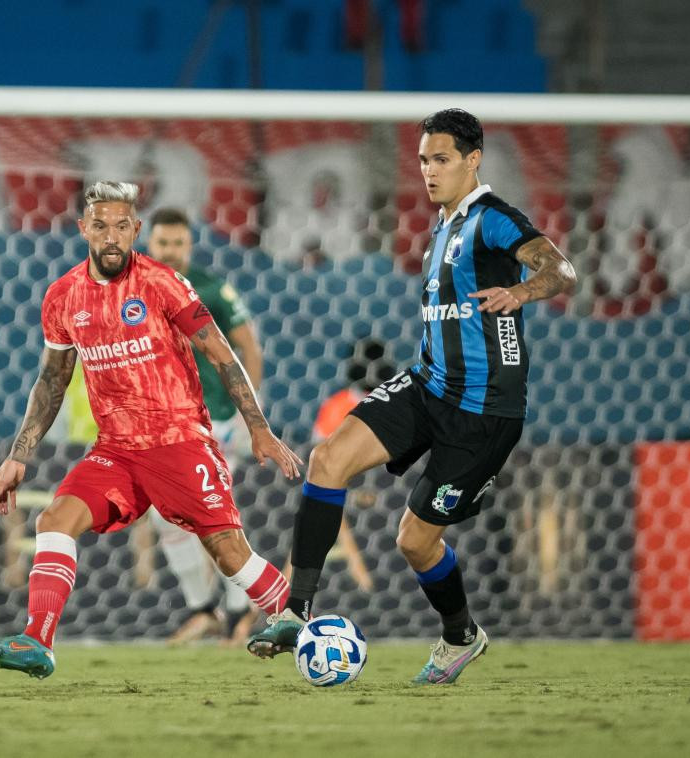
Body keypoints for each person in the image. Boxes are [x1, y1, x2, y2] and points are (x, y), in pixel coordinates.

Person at [248, 109, 577, 685]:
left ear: (473, 159)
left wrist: (522, 291)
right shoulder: (442, 229)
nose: (429, 171)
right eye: (424, 159)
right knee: (327, 460)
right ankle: (295, 612)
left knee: (415, 542)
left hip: (484, 411)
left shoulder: (493, 220)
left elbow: (561, 269)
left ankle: (461, 636)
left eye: (442, 159)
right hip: (427, 385)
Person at [0, 181, 302, 679]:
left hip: (179, 441)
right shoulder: (63, 296)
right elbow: (52, 379)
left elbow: (222, 353)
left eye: (121, 226)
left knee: (229, 552)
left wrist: (259, 427)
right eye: (99, 225)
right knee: (55, 520)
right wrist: (19, 454)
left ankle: (295, 621)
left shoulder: (163, 283)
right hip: (118, 452)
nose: (110, 236)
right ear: (83, 228)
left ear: (135, 230)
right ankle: (37, 640)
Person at [144, 207, 264, 645]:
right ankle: (204, 610)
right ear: (149, 243)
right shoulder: (134, 290)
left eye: (178, 243)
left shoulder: (211, 288)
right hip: (160, 422)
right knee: (166, 516)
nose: (170, 251)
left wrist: (253, 410)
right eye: (163, 243)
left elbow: (248, 345)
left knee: (215, 513)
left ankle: (236, 616)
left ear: (189, 246)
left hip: (216, 419)